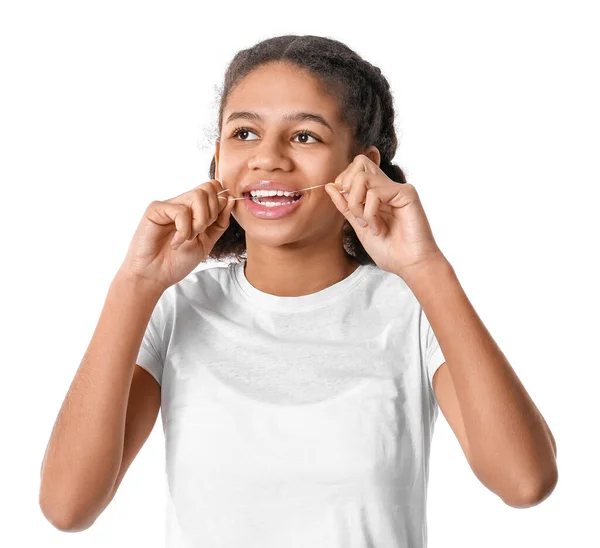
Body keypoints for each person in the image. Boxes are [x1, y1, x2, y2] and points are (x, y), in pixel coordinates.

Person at [39, 34, 557, 547]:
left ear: (364, 168)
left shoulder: (414, 309)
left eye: (305, 137)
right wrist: (135, 283)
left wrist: (425, 267)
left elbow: (523, 482)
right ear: (218, 158)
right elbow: (67, 508)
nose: (267, 159)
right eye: (244, 134)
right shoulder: (175, 309)